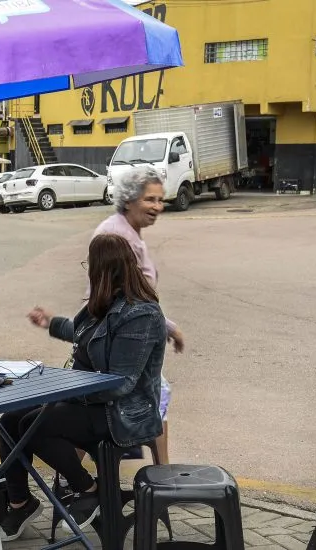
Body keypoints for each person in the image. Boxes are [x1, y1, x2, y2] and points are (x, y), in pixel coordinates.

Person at [0, 233, 167, 541]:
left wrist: (67, 390)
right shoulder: (102, 304)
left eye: (90, 264)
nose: (88, 271)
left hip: (122, 413)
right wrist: (50, 323)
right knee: (10, 420)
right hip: (89, 400)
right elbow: (81, 332)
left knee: (36, 425)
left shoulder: (140, 314)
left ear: (103, 269)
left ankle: (89, 489)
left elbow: (122, 383)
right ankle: (21, 503)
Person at [94, 167, 184, 464]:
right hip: (125, 336)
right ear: (129, 199)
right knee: (152, 397)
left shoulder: (130, 232)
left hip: (132, 332)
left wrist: (164, 327)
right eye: (150, 199)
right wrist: (167, 327)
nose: (158, 206)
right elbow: (122, 297)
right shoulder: (118, 236)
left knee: (154, 398)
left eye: (160, 199)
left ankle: (161, 472)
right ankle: (163, 474)